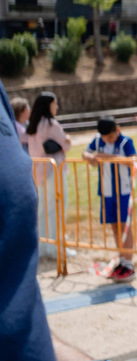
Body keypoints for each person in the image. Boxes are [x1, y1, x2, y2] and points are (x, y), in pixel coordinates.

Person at [82, 117, 137, 282]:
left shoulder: (125, 142)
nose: (108, 140)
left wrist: (109, 157)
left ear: (117, 130)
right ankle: (121, 260)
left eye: (111, 137)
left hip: (123, 191)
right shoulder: (98, 141)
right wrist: (90, 158)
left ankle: (129, 264)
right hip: (107, 191)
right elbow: (85, 152)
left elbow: (133, 161)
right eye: (105, 138)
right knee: (115, 226)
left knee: (125, 226)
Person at [23, 91, 72, 259]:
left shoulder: (33, 125)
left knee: (43, 209)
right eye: (54, 104)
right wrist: (68, 140)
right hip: (54, 169)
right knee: (57, 207)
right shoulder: (51, 124)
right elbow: (66, 144)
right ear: (48, 106)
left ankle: (44, 246)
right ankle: (58, 249)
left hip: (39, 171)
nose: (56, 107)